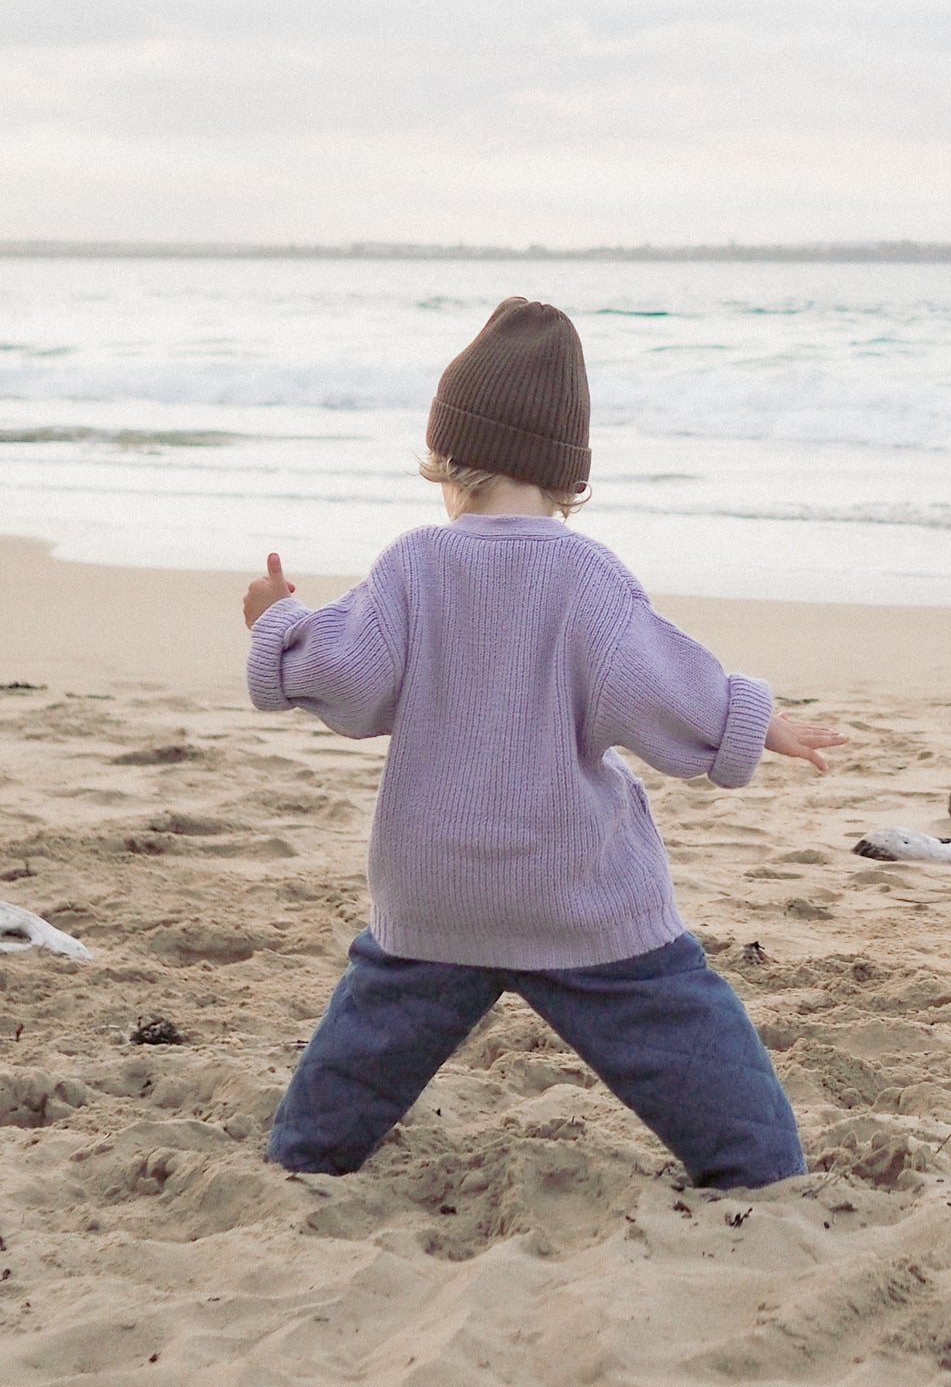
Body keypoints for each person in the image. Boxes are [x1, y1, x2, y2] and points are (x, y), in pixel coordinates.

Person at [243, 296, 845, 1188]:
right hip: (576, 893)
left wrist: (278, 627)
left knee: (355, 1069)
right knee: (694, 1052)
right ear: (569, 474)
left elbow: (349, 676)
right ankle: (755, 1167)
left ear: (447, 457)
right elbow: (655, 686)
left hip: (435, 893)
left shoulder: (414, 563)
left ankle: (306, 1158)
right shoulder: (587, 576)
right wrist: (752, 721)